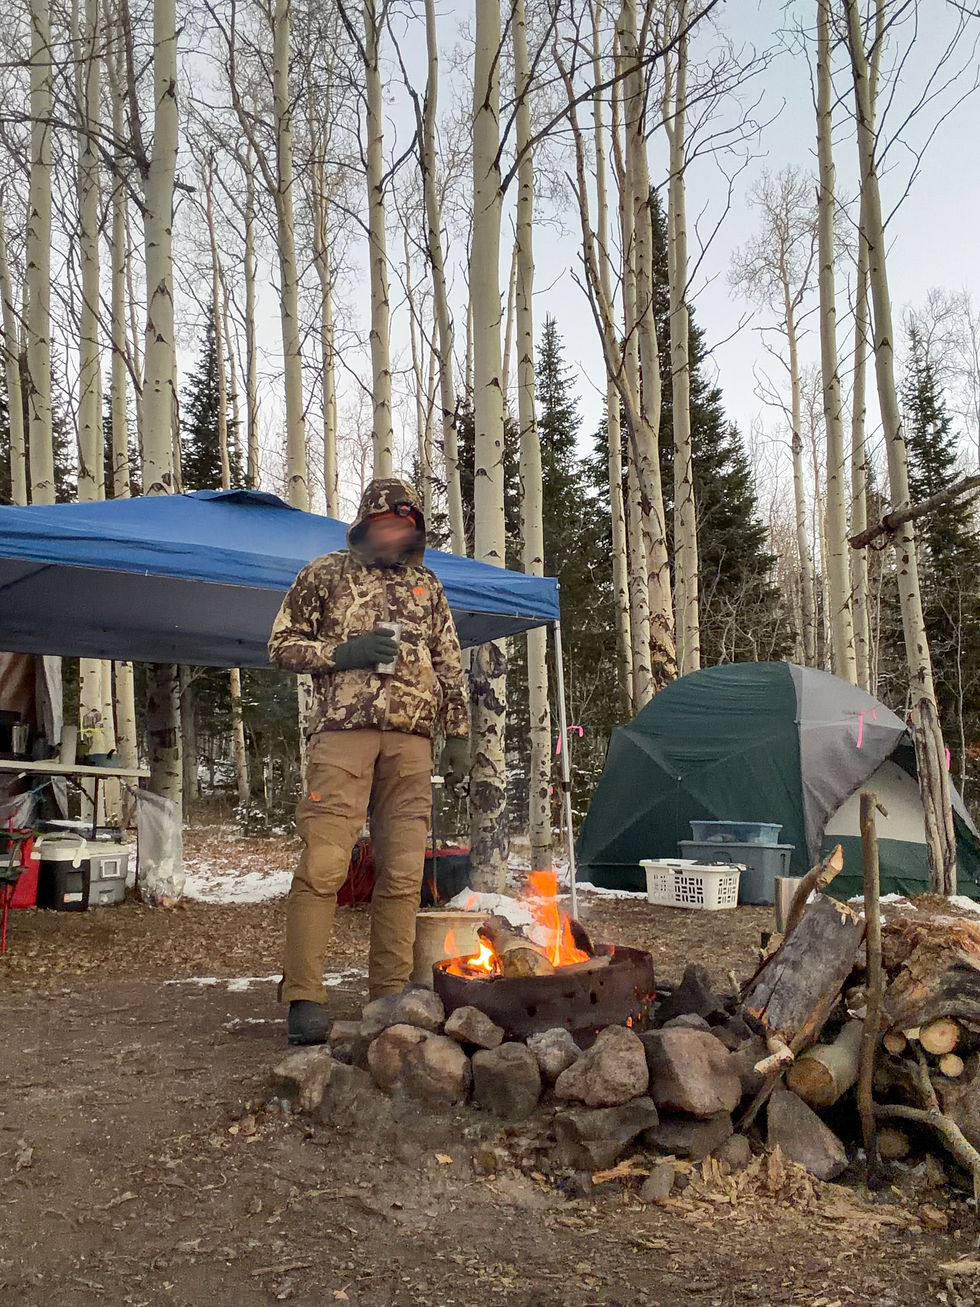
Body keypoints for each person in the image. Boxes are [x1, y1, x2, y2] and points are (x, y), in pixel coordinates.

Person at [268, 478, 469, 1045]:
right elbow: (281, 645)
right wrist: (341, 655)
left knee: (404, 873)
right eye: (385, 524)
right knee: (324, 865)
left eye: (405, 526)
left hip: (411, 742)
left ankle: (389, 995)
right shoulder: (324, 573)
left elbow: (449, 662)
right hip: (343, 737)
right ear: (365, 525)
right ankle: (305, 996)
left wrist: (455, 735)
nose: (395, 534)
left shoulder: (427, 584)